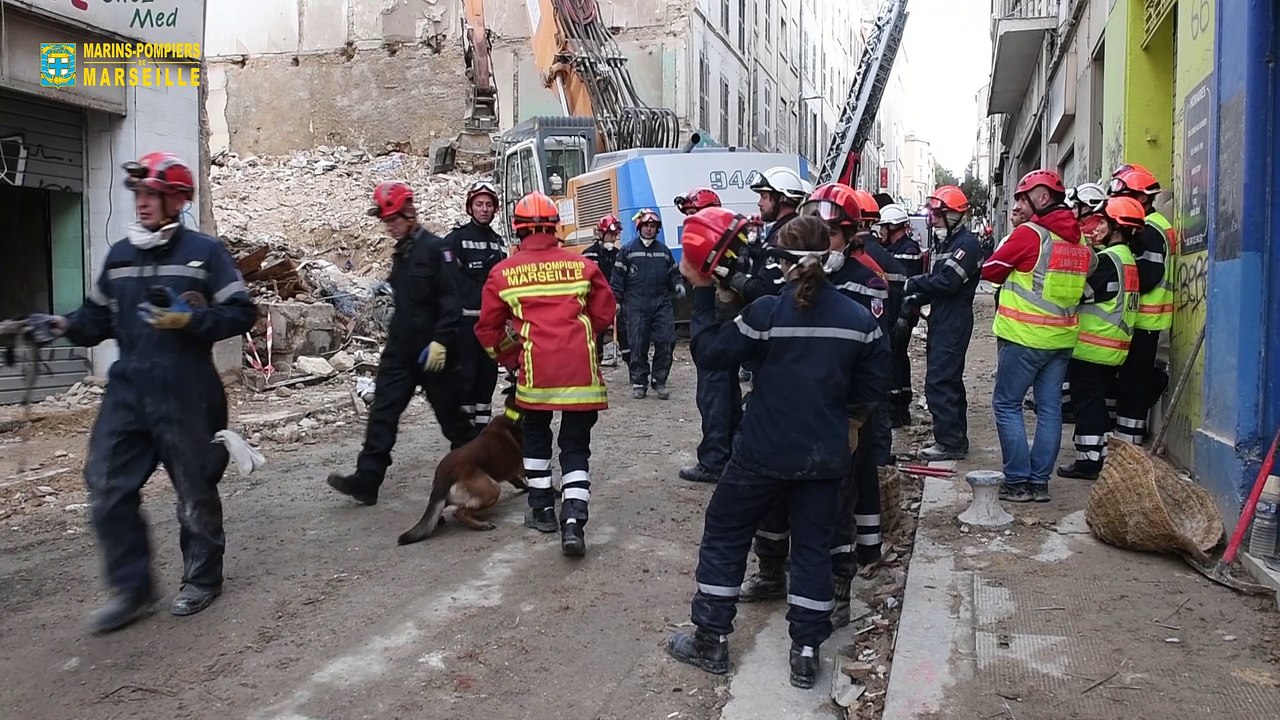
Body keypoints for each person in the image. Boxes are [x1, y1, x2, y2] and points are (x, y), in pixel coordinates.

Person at [665, 213, 889, 689]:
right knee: (813, 549)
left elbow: (710, 355)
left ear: (783, 262)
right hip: (825, 456)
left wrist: (705, 294)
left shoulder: (766, 312)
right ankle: (806, 652)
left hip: (761, 451)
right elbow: (872, 387)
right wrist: (848, 423)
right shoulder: (856, 321)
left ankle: (712, 641)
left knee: (726, 533)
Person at [49, 152, 258, 632]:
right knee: (106, 484)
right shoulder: (121, 255)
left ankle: (202, 579)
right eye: (138, 195)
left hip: (187, 390)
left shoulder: (204, 254)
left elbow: (241, 313)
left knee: (194, 488)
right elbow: (95, 319)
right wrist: (59, 325)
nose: (142, 203)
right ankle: (133, 589)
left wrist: (191, 320)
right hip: (128, 392)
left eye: (152, 195)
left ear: (177, 199)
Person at [474, 191, 617, 556]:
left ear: (518, 229)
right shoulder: (582, 265)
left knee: (536, 437)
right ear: (555, 226)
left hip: (535, 376)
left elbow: (487, 330)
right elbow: (604, 314)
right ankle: (574, 520)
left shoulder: (503, 272)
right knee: (575, 446)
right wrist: (584, 339)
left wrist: (512, 359)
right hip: (581, 375)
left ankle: (541, 510)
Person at [327, 182, 476, 505]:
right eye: (386, 221)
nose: (390, 226)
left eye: (394, 219)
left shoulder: (438, 250)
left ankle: (479, 470)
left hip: (435, 354)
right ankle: (367, 480)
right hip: (401, 352)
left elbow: (452, 303)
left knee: (454, 420)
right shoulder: (402, 255)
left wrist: (441, 342)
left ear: (410, 213)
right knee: (382, 413)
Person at [980, 170, 1092, 503]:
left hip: (1024, 337)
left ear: (1042, 198)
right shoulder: (1079, 240)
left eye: (1022, 197)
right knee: (1050, 410)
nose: (1018, 203)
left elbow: (990, 270)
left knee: (1007, 404)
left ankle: (1017, 482)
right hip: (1061, 339)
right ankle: (1039, 483)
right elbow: (1091, 268)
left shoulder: (1031, 234)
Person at [1058, 197, 1144, 480]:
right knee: (1095, 402)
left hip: (1094, 346)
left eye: (1102, 223)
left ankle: (1089, 461)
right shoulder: (1127, 258)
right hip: (1113, 346)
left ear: (1116, 228)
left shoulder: (1108, 260)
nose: (1096, 228)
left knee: (1088, 403)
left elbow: (1079, 293)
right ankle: (1100, 455)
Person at [901, 185, 984, 461]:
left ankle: (949, 443)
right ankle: (954, 438)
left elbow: (947, 281)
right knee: (947, 380)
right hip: (943, 317)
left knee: (940, 380)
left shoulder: (966, 246)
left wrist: (912, 284)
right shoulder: (947, 243)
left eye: (937, 214)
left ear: (954, 215)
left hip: (954, 320)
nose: (933, 220)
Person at [674, 188, 743, 485]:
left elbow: (701, 280)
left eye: (693, 213)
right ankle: (729, 454)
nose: (690, 220)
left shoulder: (713, 241)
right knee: (726, 394)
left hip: (714, 324)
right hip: (723, 325)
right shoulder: (725, 238)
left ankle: (714, 459)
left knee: (714, 396)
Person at [1108, 164, 1175, 446]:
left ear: (1142, 198)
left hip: (1146, 320)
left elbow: (1148, 276)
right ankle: (1128, 437)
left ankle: (1128, 442)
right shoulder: (1148, 226)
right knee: (1133, 380)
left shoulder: (1149, 230)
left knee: (1135, 383)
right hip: (1145, 319)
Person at [446, 181, 506, 429]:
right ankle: (464, 437)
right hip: (465, 326)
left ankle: (481, 433)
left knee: (487, 379)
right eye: (479, 204)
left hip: (492, 326)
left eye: (489, 205)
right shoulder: (456, 240)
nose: (484, 209)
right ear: (470, 208)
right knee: (465, 379)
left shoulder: (498, 242)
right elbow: (444, 280)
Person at [611, 208, 682, 399]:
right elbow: (617, 278)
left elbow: (674, 273)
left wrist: (678, 284)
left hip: (661, 302)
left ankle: (659, 380)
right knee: (637, 343)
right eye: (646, 226)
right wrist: (616, 300)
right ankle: (639, 381)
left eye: (653, 226)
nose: (650, 229)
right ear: (639, 227)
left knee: (667, 340)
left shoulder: (664, 251)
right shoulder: (628, 251)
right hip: (636, 303)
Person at [877, 203, 924, 427]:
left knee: (895, 358)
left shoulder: (907, 250)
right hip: (901, 312)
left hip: (902, 312)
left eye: (884, 227)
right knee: (899, 357)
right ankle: (901, 404)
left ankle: (897, 407)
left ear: (893, 227)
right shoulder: (901, 248)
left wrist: (903, 316)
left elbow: (902, 286)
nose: (881, 232)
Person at [581, 214, 624, 363]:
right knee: (596, 336)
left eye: (615, 235)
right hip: (594, 303)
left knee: (625, 333)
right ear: (601, 233)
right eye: (610, 234)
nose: (613, 238)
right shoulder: (589, 254)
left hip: (614, 300)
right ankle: (595, 362)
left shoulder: (618, 255)